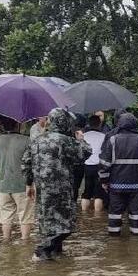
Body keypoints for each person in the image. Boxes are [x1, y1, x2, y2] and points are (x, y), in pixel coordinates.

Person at [22, 108, 91, 261]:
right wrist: (81, 139)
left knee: (48, 223)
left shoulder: (36, 140)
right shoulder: (65, 140)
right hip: (62, 189)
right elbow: (85, 153)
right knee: (68, 224)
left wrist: (28, 184)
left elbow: (26, 163)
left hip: (42, 189)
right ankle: (42, 250)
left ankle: (54, 255)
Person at [99, 113, 138, 235]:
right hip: (136, 185)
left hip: (116, 185)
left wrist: (104, 181)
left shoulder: (112, 140)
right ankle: (137, 238)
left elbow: (104, 164)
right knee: (136, 213)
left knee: (115, 213)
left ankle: (114, 238)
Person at [0, 118, 34, 241]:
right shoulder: (27, 140)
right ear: (18, 125)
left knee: (5, 216)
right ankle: (25, 243)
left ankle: (6, 241)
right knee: (25, 215)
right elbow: (31, 163)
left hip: (3, 184)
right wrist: (31, 184)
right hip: (22, 185)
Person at [81, 115, 107, 212]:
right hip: (99, 166)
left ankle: (84, 214)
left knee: (87, 191)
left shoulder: (84, 136)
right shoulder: (104, 136)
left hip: (87, 165)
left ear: (89, 124)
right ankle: (98, 216)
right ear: (99, 124)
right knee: (98, 193)